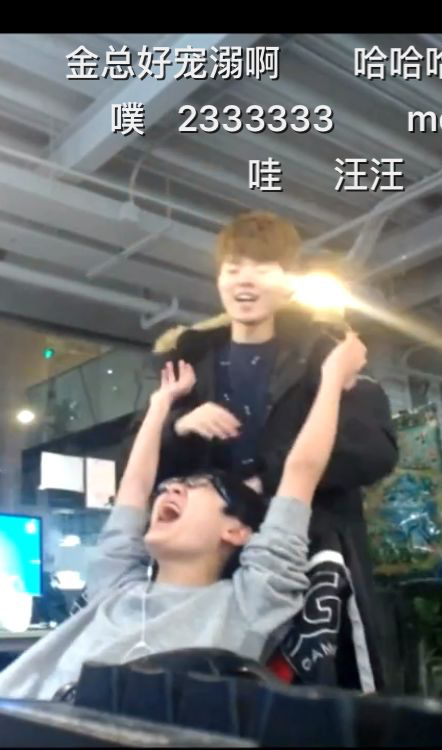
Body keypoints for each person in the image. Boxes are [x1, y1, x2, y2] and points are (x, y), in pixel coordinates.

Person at [0, 333, 367, 700]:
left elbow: (301, 472)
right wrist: (162, 403)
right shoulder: (115, 585)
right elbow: (134, 485)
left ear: (237, 530)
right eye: (172, 485)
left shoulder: (248, 604)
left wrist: (332, 378)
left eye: (197, 486)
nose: (170, 489)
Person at [140, 211, 400, 692]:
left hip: (312, 561)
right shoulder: (187, 365)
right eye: (234, 268)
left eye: (263, 268)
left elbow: (373, 449)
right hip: (207, 567)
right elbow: (132, 467)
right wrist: (180, 426)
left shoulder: (328, 355)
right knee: (204, 696)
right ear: (219, 279)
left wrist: (266, 479)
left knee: (317, 700)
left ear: (287, 282)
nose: (245, 280)